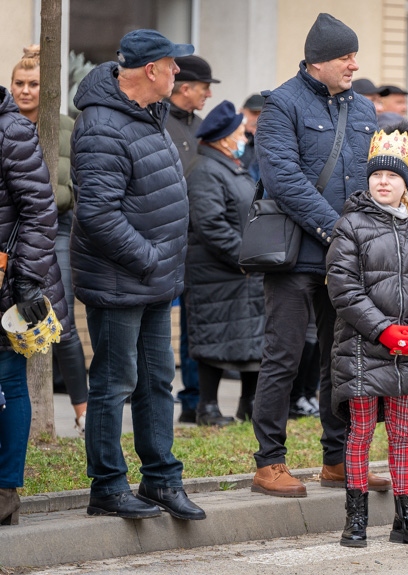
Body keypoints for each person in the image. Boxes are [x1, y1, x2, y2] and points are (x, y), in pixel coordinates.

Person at [251, 13, 388, 498]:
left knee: (343, 361)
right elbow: (282, 179)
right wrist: (336, 229)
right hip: (295, 256)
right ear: (319, 61)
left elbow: (377, 178)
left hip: (344, 260)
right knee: (284, 357)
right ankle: (269, 463)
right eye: (346, 56)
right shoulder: (281, 105)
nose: (355, 63)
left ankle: (337, 460)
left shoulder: (366, 110)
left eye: (354, 54)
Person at [71, 29, 204, 520]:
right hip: (122, 277)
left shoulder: (148, 114)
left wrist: (161, 264)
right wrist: (150, 258)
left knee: (157, 381)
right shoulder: (103, 125)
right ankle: (107, 487)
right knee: (114, 382)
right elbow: (98, 215)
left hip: (154, 278)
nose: (178, 74)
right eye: (173, 66)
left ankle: (161, 480)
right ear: (151, 70)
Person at [327, 128, 408, 549]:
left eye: (393, 176)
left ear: (405, 183)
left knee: (401, 434)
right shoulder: (350, 226)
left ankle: (406, 518)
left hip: (407, 354)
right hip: (361, 350)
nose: (383, 182)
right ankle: (355, 517)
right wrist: (382, 329)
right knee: (360, 431)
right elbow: (343, 288)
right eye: (377, 174)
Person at [0, 80, 69, 526]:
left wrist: (25, 279)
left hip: (6, 280)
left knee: (8, 384)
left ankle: (6, 491)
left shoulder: (11, 130)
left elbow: (41, 211)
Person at [10, 45, 88, 434]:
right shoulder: (5, 125)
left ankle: (82, 411)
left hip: (56, 227)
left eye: (34, 83)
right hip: (10, 233)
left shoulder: (65, 127)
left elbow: (72, 185)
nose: (25, 90)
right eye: (19, 83)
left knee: (63, 321)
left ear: (48, 88)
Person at [184, 100, 263, 426]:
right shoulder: (205, 170)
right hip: (218, 270)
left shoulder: (232, 166)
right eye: (240, 133)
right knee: (213, 338)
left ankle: (249, 405)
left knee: (249, 339)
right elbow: (211, 226)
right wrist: (244, 258)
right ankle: (208, 407)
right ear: (223, 138)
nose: (244, 137)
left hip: (241, 270)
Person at [165, 54, 220, 425]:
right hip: (167, 238)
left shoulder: (200, 127)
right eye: (204, 88)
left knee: (193, 325)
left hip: (197, 242)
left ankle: (192, 399)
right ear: (185, 87)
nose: (208, 95)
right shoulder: (160, 123)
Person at [239, 93, 263, 182]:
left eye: (261, 114)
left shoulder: (270, 141)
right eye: (253, 113)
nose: (257, 119)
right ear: (241, 112)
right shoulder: (231, 140)